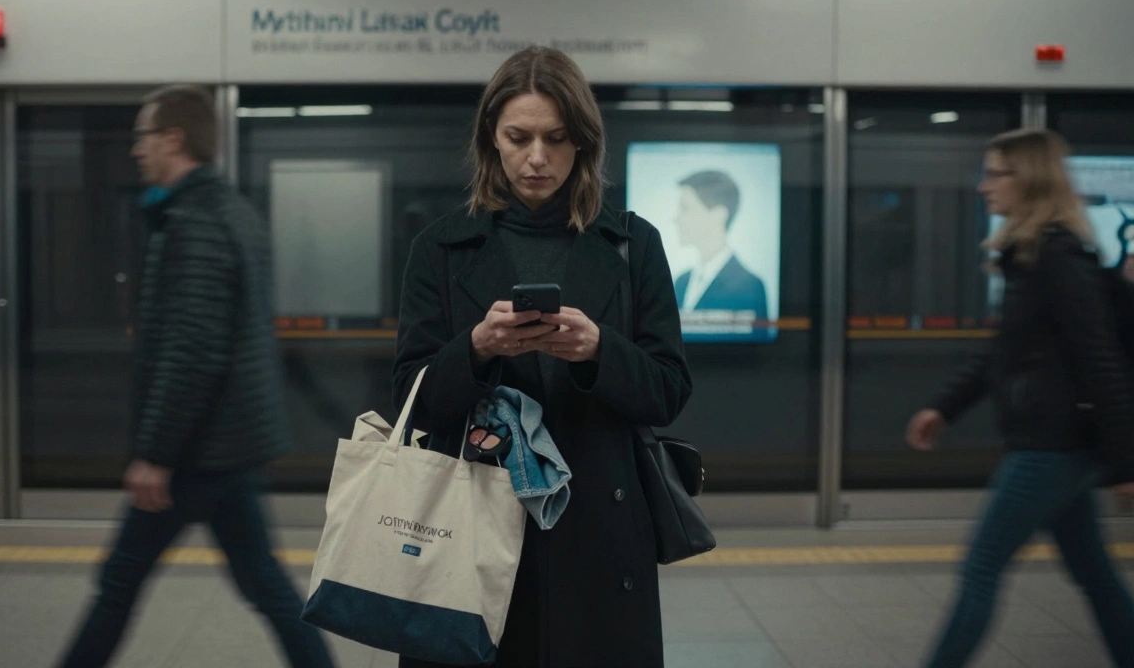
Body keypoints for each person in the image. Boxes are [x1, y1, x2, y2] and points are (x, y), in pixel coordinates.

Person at [392, 46, 693, 668]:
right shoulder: (441, 249)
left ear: (583, 142)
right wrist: (475, 350)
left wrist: (598, 352)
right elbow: (410, 401)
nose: (537, 157)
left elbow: (667, 391)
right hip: (473, 533)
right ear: (490, 140)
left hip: (600, 542)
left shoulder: (633, 245)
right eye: (518, 137)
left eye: (556, 138)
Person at [54, 85, 335, 668]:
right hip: (228, 444)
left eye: (143, 135)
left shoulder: (193, 223)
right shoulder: (233, 212)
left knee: (120, 580)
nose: (136, 150)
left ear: (173, 139)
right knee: (264, 583)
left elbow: (193, 352)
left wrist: (155, 454)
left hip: (198, 451)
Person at [905, 128, 1134, 668]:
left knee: (982, 566)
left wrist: (1127, 461)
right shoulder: (1030, 256)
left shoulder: (1058, 259)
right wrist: (945, 407)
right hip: (1060, 441)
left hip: (1053, 446)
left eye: (994, 173)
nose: (984, 186)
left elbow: (1103, 360)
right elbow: (1003, 354)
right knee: (1094, 572)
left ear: (1027, 179)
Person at [672, 170, 768, 320]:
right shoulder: (681, 282)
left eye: (685, 208)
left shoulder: (750, 286)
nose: (676, 219)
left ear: (718, 215)